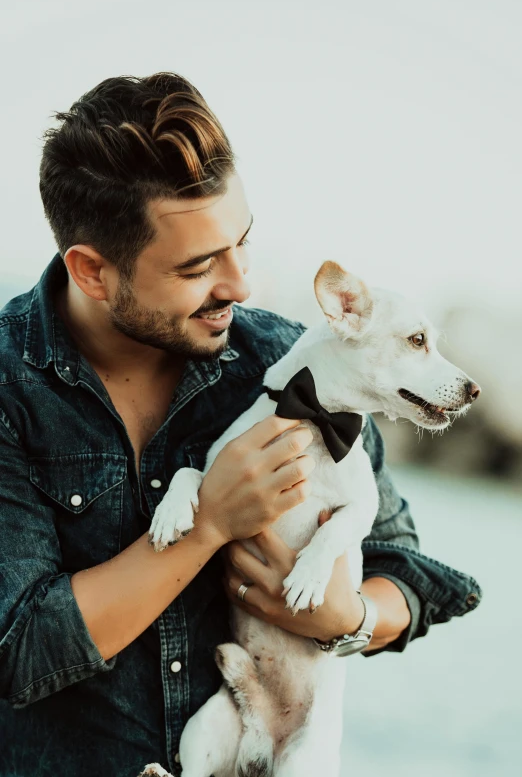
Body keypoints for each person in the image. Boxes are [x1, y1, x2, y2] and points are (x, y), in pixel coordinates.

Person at [0, 72, 481, 777]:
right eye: (199, 267)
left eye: (241, 243)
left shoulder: (295, 364)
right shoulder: (11, 388)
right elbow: (19, 649)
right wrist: (208, 525)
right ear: (93, 272)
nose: (240, 284)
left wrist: (343, 620)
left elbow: (409, 573)